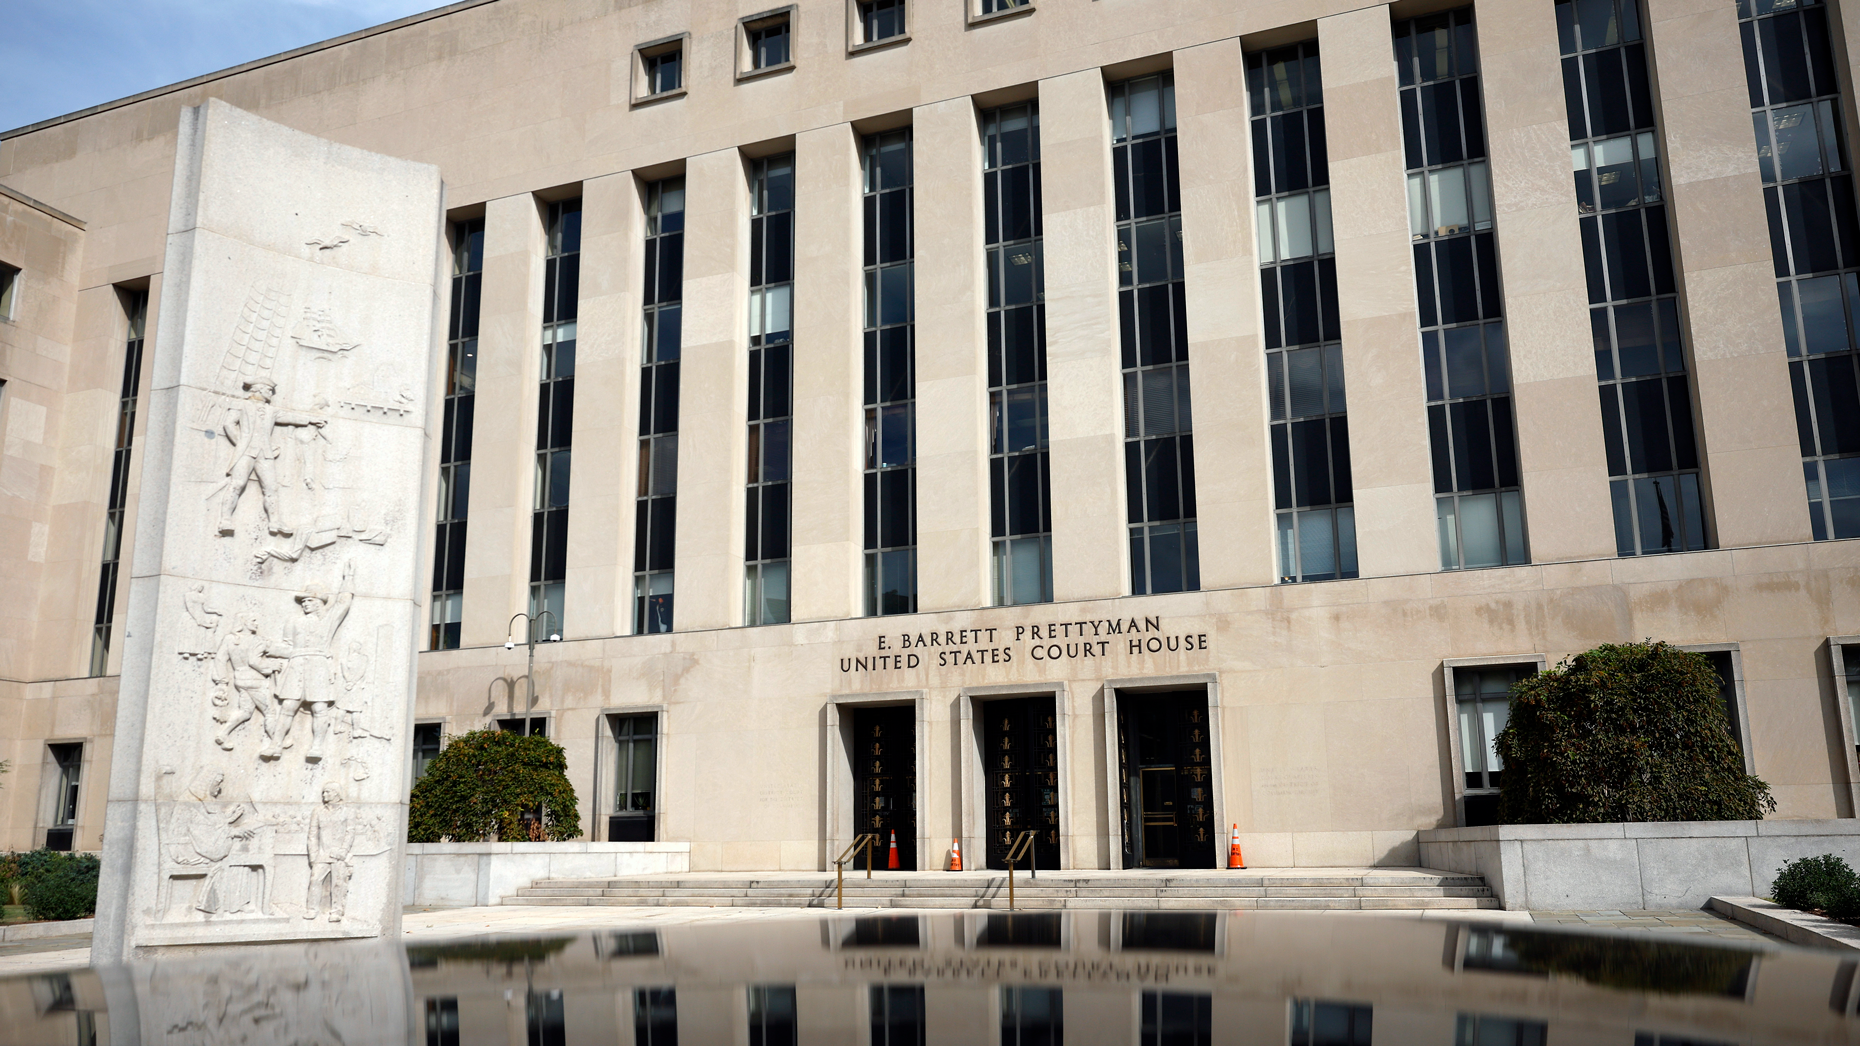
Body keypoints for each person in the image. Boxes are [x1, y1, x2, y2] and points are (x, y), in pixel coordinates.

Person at [270, 561, 354, 763]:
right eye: (303, 601)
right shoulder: (293, 621)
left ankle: (317, 746)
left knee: (319, 708)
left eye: (308, 600)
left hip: (318, 664)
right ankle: (276, 743)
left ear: (318, 602)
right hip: (297, 664)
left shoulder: (328, 620)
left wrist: (348, 579)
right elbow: (288, 646)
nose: (304, 604)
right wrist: (271, 650)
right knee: (288, 705)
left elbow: (343, 603)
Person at [218, 378, 323, 537]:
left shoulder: (271, 410)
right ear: (259, 389)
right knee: (237, 484)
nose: (271, 394)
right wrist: (241, 443)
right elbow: (228, 424)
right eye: (268, 390)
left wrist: (309, 419)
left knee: (271, 488)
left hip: (265, 453)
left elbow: (288, 417)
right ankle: (225, 520)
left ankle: (275, 522)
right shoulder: (241, 404)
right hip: (245, 452)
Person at [212, 614, 282, 751]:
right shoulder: (257, 640)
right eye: (253, 620)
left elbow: (220, 660)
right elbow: (255, 661)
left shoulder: (229, 639)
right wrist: (271, 666)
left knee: (245, 711)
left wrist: (222, 681)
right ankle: (276, 742)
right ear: (243, 622)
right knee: (269, 711)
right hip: (256, 680)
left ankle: (223, 733)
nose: (256, 623)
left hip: (240, 679)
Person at [303, 785, 355, 922]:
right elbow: (313, 834)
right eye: (323, 792)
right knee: (314, 880)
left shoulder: (347, 811)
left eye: (327, 791)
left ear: (337, 794)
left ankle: (336, 911)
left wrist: (344, 850)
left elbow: (350, 832)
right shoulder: (318, 811)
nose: (324, 794)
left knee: (338, 883)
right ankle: (311, 909)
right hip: (322, 853)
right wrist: (313, 856)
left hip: (339, 854)